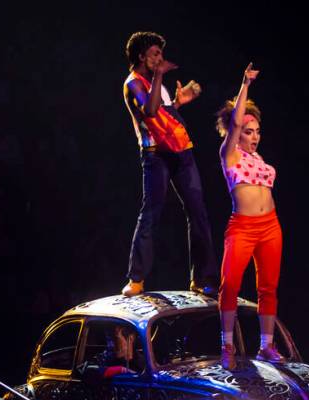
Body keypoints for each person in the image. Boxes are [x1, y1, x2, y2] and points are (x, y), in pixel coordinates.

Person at [121, 31, 217, 297]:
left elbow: (163, 113)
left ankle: (202, 278)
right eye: (154, 54)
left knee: (197, 212)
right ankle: (136, 279)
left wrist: (177, 102)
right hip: (156, 156)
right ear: (141, 56)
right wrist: (161, 76)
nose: (160, 58)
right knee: (151, 213)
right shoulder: (134, 83)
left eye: (161, 54)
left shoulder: (156, 83)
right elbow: (149, 112)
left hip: (181, 153)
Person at [215, 64, 284, 369]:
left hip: (270, 225)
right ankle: (227, 345)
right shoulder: (229, 154)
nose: (254, 137)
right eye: (247, 131)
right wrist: (245, 85)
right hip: (242, 227)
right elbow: (232, 125)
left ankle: (266, 347)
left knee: (268, 287)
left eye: (257, 131)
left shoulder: (258, 158)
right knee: (230, 285)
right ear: (235, 132)